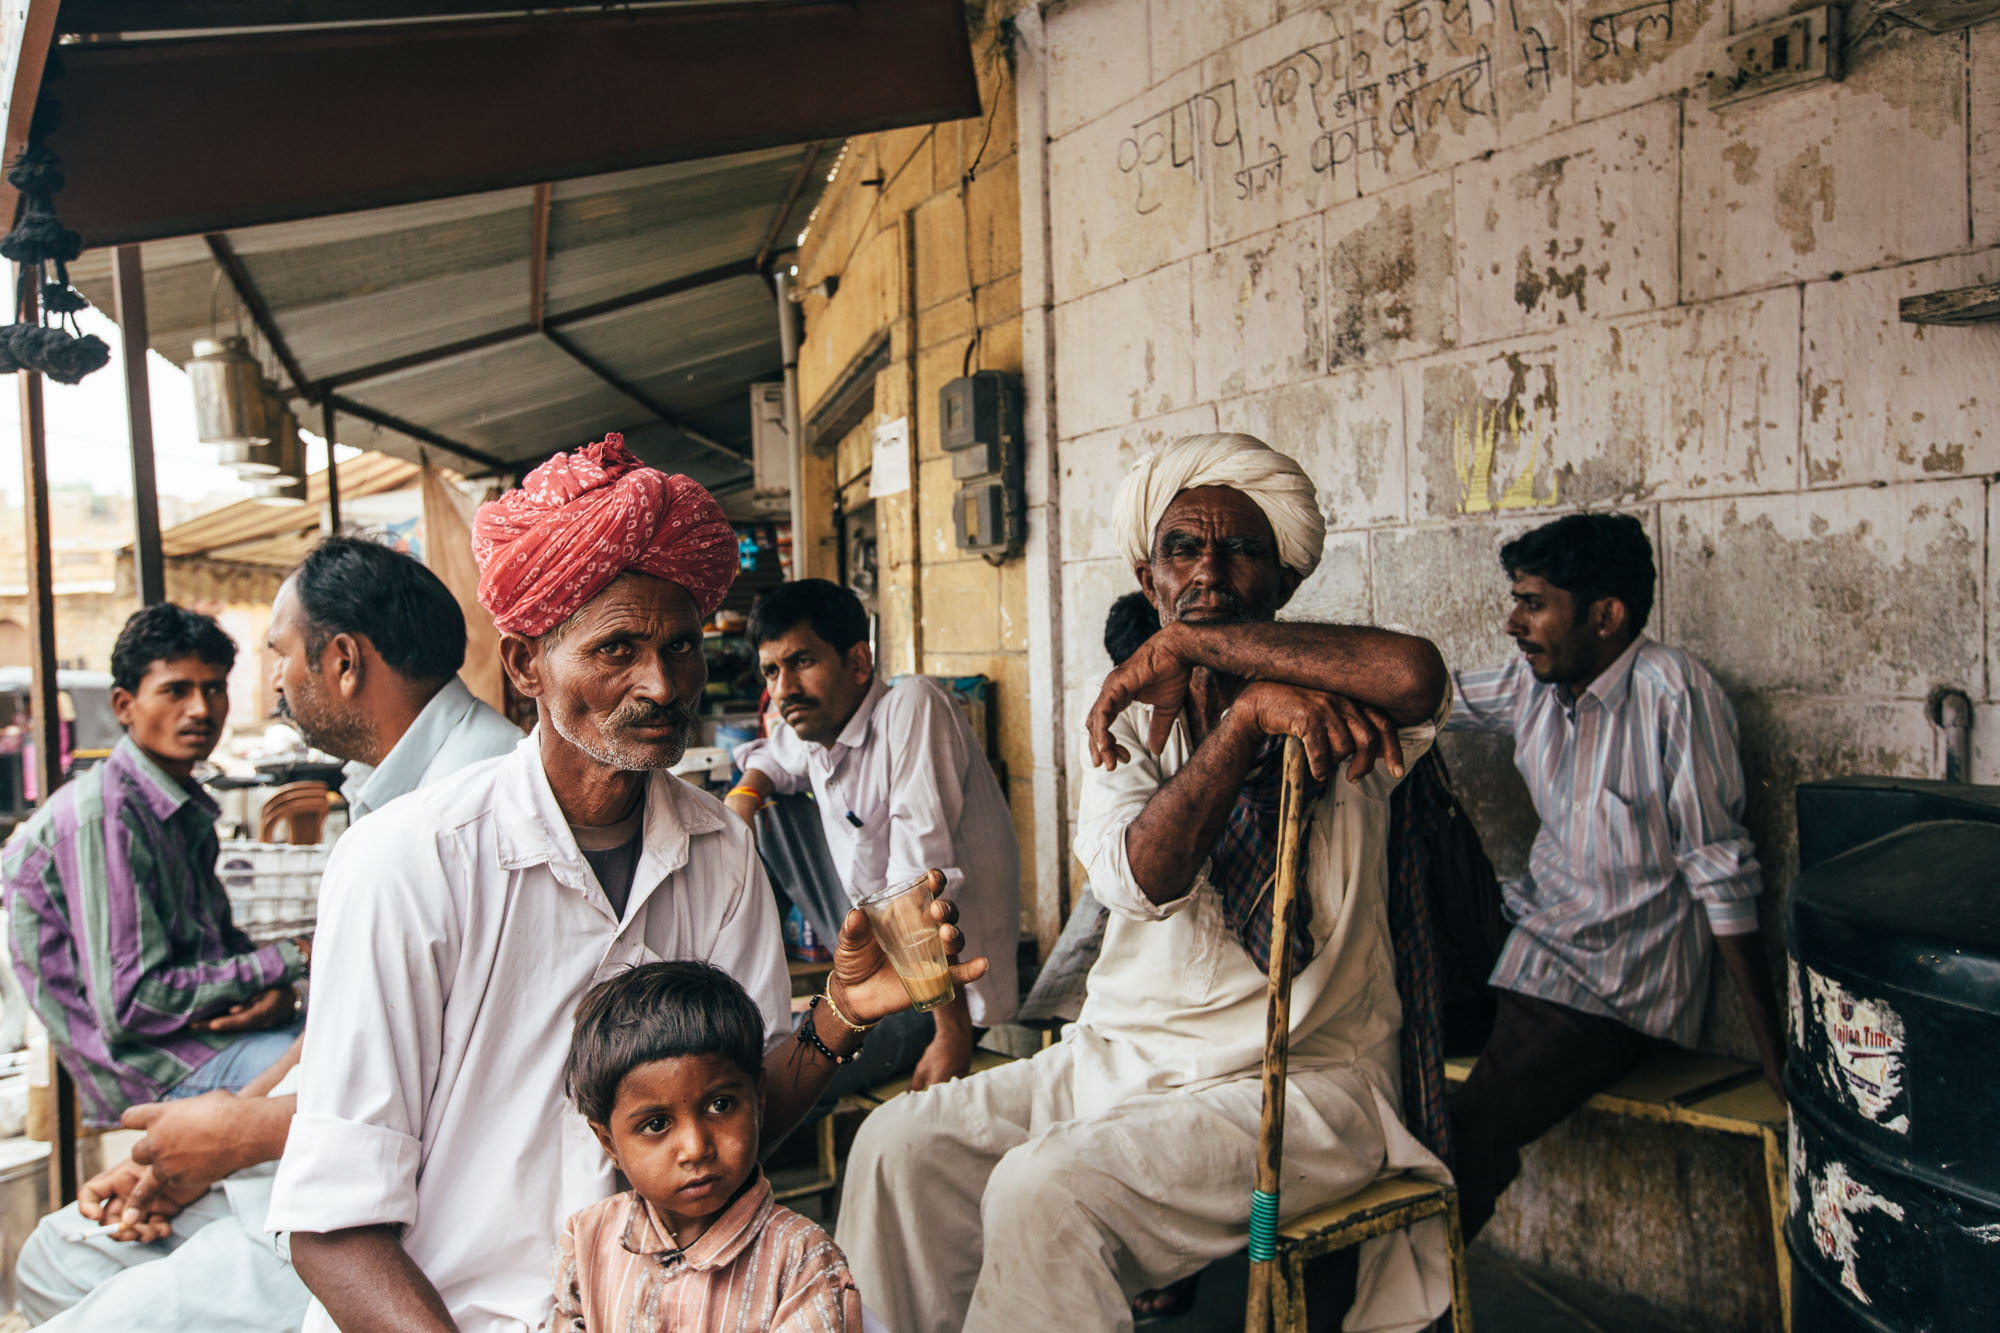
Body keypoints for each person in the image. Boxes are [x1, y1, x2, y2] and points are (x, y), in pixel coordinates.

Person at [264, 434, 981, 1333]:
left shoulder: (717, 844)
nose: (661, 682)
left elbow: (730, 1113)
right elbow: (333, 1229)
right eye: (616, 649)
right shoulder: (408, 862)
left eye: (680, 647)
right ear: (526, 666)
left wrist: (835, 1017)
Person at [837, 433, 1454, 1333]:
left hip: (1309, 1083)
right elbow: (1139, 876)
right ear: (1147, 577)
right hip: (1117, 1060)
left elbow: (1416, 676)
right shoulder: (1123, 721)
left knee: (1045, 1190)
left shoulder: (1339, 695)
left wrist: (1237, 668)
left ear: (1280, 579)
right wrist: (1241, 721)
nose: (1210, 570)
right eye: (1183, 552)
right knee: (897, 1145)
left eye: (1242, 550)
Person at [15, 537, 523, 1330]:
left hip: (389, 1219)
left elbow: (469, 1083)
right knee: (61, 1257)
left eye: (277, 655)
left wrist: (237, 1131)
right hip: (300, 1151)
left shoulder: (464, 809)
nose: (269, 684)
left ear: (345, 661)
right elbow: (329, 1031)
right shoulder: (394, 791)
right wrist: (221, 1131)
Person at [1441, 512, 1784, 1240]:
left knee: (1460, 1136)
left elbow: (1721, 874)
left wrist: (1772, 1050)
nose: (1513, 622)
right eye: (1516, 600)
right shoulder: (1532, 685)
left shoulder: (1673, 693)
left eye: (1533, 603)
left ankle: (1392, 1312)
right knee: (1402, 768)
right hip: (1525, 941)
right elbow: (1423, 694)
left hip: (1608, 989)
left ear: (1605, 615)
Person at [3, 604, 307, 1132]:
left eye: (214, 688)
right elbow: (132, 1000)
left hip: (209, 1038)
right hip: (155, 1069)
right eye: (176, 691)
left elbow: (214, 944)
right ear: (124, 705)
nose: (200, 709)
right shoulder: (106, 816)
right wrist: (286, 960)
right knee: (343, 1076)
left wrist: (271, 994)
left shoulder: (174, 803)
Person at [726, 579, 1020, 1093]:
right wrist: (744, 800)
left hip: (941, 992)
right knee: (767, 806)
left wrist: (952, 1036)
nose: (784, 688)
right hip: (875, 959)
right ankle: (743, 987)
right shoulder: (818, 730)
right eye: (772, 670)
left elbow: (920, 882)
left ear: (859, 662)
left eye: (801, 662)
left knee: (771, 1080)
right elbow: (773, 757)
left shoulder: (912, 707)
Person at [551, 960, 862, 1333]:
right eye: (656, 1125)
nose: (696, 1148)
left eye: (720, 1105)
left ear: (758, 1098)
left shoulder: (801, 1260)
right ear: (609, 1143)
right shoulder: (587, 1239)